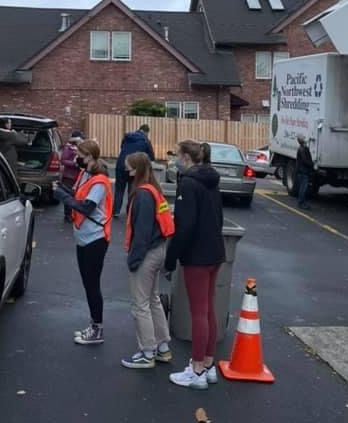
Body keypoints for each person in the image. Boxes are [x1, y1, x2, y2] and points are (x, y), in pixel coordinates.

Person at [165, 140, 225, 390]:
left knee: (198, 313)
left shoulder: (188, 183)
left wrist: (171, 259)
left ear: (186, 158)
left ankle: (197, 369)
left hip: (196, 257)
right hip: (215, 253)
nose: (175, 159)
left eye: (177, 155)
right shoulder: (211, 181)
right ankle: (208, 365)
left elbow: (184, 226)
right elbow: (218, 218)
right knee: (208, 310)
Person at [54, 140, 113, 345]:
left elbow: (86, 207)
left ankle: (97, 329)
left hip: (95, 238)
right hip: (84, 237)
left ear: (88, 156)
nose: (75, 157)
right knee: (88, 284)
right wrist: (61, 188)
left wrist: (61, 195)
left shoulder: (100, 181)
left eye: (79, 154)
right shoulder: (85, 174)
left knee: (92, 285)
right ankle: (94, 325)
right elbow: (77, 196)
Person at [121, 152, 175, 370]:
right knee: (152, 300)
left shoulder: (142, 195)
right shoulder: (154, 189)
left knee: (140, 304)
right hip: (159, 249)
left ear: (137, 170)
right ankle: (162, 348)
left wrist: (133, 259)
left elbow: (141, 233)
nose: (126, 171)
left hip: (146, 253)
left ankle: (147, 352)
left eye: (129, 168)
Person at [113, 124, 155, 217]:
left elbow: (122, 147)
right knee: (132, 190)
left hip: (121, 164)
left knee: (119, 189)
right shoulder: (146, 140)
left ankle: (116, 211)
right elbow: (151, 157)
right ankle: (130, 212)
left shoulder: (127, 137)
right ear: (146, 132)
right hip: (134, 167)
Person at [59, 130, 84, 223]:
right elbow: (63, 160)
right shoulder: (68, 148)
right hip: (69, 176)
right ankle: (67, 214)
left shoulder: (80, 148)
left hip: (78, 175)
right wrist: (75, 164)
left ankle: (73, 213)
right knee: (68, 195)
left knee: (76, 195)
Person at [296, 134, 314, 210]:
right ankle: (301, 203)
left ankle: (302, 202)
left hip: (301, 171)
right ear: (302, 141)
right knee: (303, 188)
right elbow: (304, 160)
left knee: (303, 187)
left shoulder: (301, 148)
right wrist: (311, 164)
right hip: (303, 171)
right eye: (304, 138)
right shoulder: (302, 149)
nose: (305, 139)